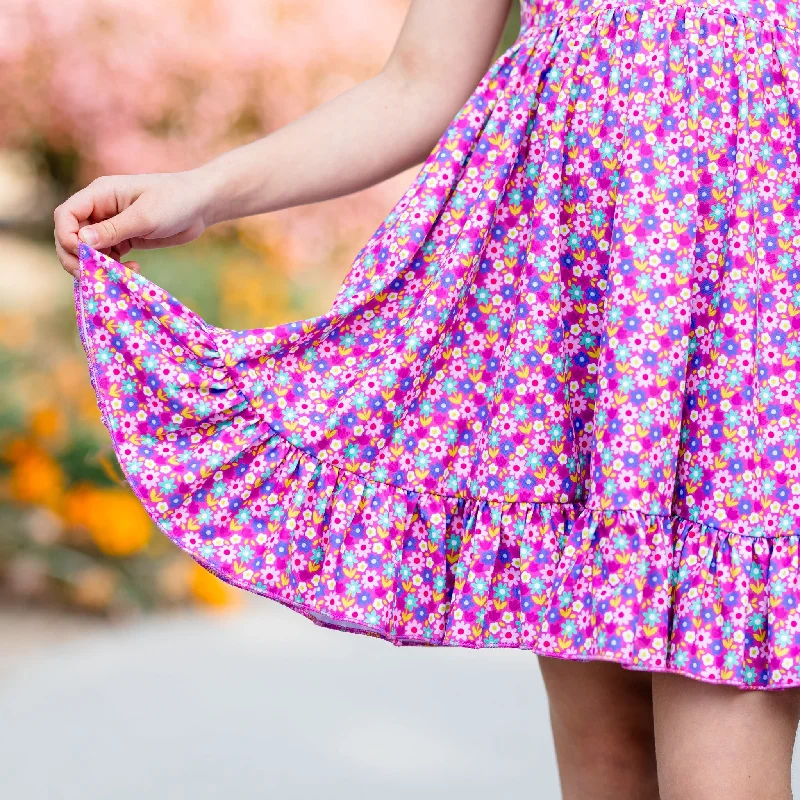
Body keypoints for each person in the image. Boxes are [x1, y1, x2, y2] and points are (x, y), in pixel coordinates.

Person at [54, 0, 800, 797]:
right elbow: (418, 81)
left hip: (747, 348)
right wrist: (200, 191)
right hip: (575, 341)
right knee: (608, 766)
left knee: (716, 772)